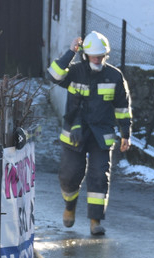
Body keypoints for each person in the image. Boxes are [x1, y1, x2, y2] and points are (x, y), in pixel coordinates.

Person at [47, 31, 133, 236]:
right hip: (75, 133)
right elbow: (53, 75)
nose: (98, 59)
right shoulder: (75, 72)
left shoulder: (114, 76)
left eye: (101, 56)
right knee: (70, 175)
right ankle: (70, 205)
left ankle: (95, 220)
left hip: (101, 135)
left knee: (99, 177)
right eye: (94, 55)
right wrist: (71, 52)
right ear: (86, 55)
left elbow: (122, 106)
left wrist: (125, 134)